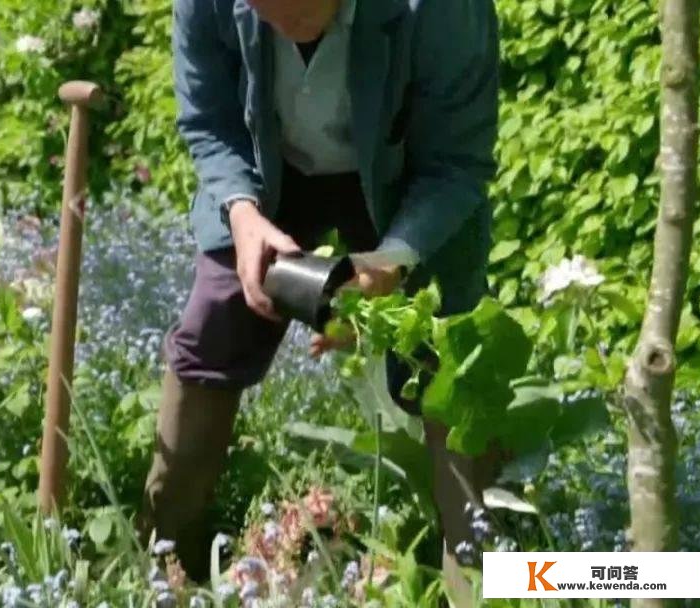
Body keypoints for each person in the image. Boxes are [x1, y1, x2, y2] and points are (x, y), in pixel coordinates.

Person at [138, 0, 501, 604]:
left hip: (408, 177)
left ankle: (481, 579)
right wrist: (240, 209)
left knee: (452, 355)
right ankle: (160, 568)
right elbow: (209, 121)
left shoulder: (442, 10)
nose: (281, 17)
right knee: (211, 329)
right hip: (267, 178)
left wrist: (394, 259)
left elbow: (456, 163)